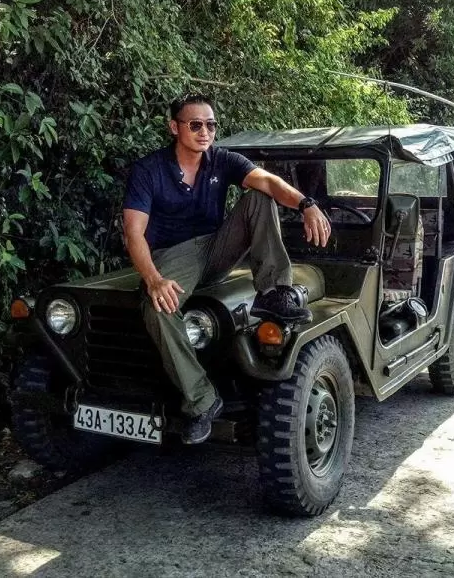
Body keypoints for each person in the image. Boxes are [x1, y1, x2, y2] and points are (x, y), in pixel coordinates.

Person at [122, 93, 332, 444]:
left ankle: (274, 292)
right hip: (173, 256)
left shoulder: (221, 161)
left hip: (216, 246)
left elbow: (267, 181)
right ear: (175, 128)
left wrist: (306, 203)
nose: (205, 132)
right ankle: (202, 399)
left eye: (210, 125)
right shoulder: (150, 170)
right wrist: (154, 279)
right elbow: (133, 232)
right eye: (195, 124)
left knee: (259, 197)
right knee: (157, 308)